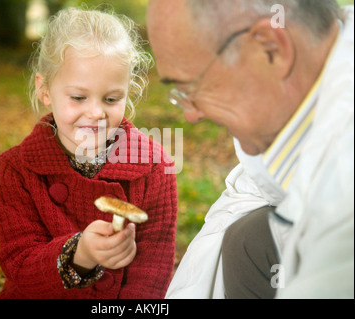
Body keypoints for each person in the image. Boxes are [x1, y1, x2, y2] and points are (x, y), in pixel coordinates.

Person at [147, 0, 354, 298]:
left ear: (270, 49)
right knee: (248, 238)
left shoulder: (343, 190)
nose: (191, 115)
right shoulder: (291, 116)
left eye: (190, 87)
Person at [0, 7, 177, 299]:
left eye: (111, 99)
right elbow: (20, 265)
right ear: (45, 89)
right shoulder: (14, 170)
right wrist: (81, 253)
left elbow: (153, 274)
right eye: (78, 97)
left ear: (128, 92)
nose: (95, 113)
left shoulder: (155, 168)